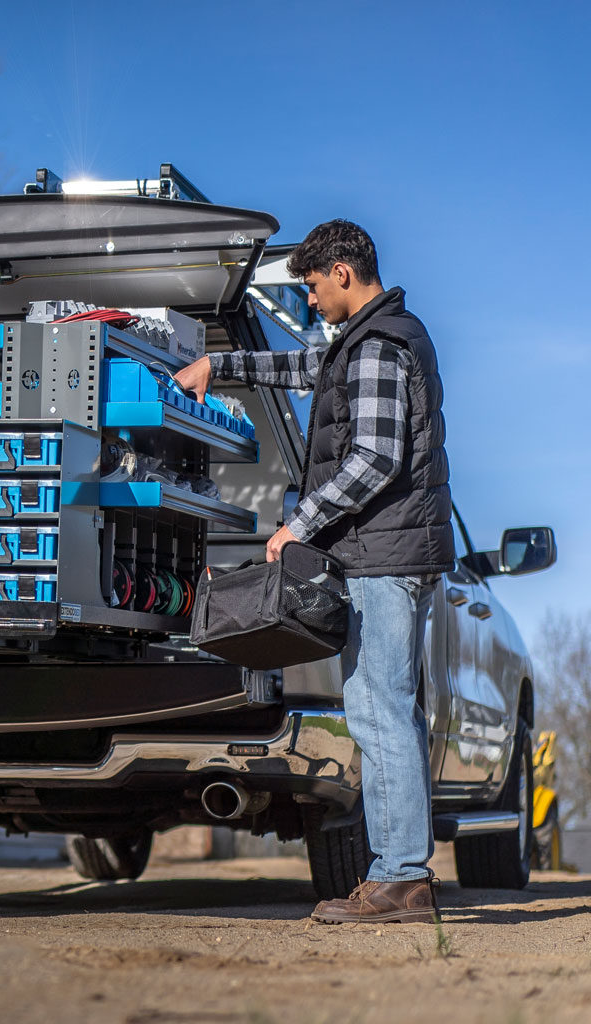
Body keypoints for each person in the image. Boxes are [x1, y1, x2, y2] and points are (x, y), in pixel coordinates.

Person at [175, 219, 454, 924]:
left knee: (379, 710)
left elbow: (377, 458)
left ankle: (400, 880)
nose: (308, 301)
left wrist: (302, 522)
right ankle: (400, 876)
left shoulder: (382, 344)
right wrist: (221, 366)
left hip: (384, 555)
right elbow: (304, 369)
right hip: (384, 550)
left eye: (310, 286)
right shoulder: (362, 344)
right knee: (389, 711)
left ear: (341, 272)